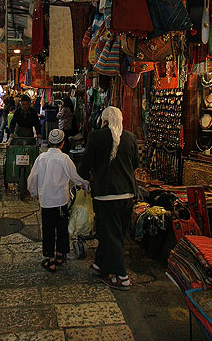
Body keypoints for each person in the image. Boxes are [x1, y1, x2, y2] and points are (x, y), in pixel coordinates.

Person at [78, 106, 139, 291]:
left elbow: (85, 165)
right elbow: (135, 164)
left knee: (111, 234)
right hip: (128, 193)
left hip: (106, 195)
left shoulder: (97, 136)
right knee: (116, 233)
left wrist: (84, 175)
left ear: (103, 121)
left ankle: (122, 277)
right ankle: (101, 264)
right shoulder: (130, 138)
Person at [27, 129, 89, 273]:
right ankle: (61, 255)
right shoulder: (65, 159)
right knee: (62, 228)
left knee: (48, 229)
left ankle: (51, 260)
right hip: (61, 201)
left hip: (46, 202)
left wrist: (33, 192)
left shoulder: (41, 158)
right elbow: (75, 177)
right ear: (62, 143)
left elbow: (31, 179)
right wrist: (85, 184)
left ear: (49, 143)